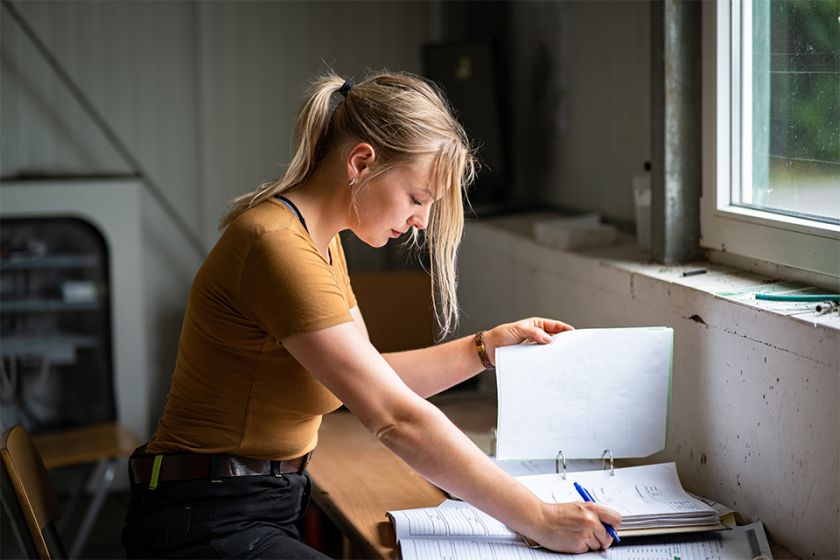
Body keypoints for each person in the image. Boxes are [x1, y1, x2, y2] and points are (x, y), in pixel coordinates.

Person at [122, 71, 621, 559]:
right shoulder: (275, 247)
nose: (422, 221)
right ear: (361, 163)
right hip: (201, 520)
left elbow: (368, 377)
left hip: (253, 504)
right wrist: (537, 518)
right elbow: (394, 417)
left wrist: (484, 349)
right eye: (417, 198)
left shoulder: (322, 244)